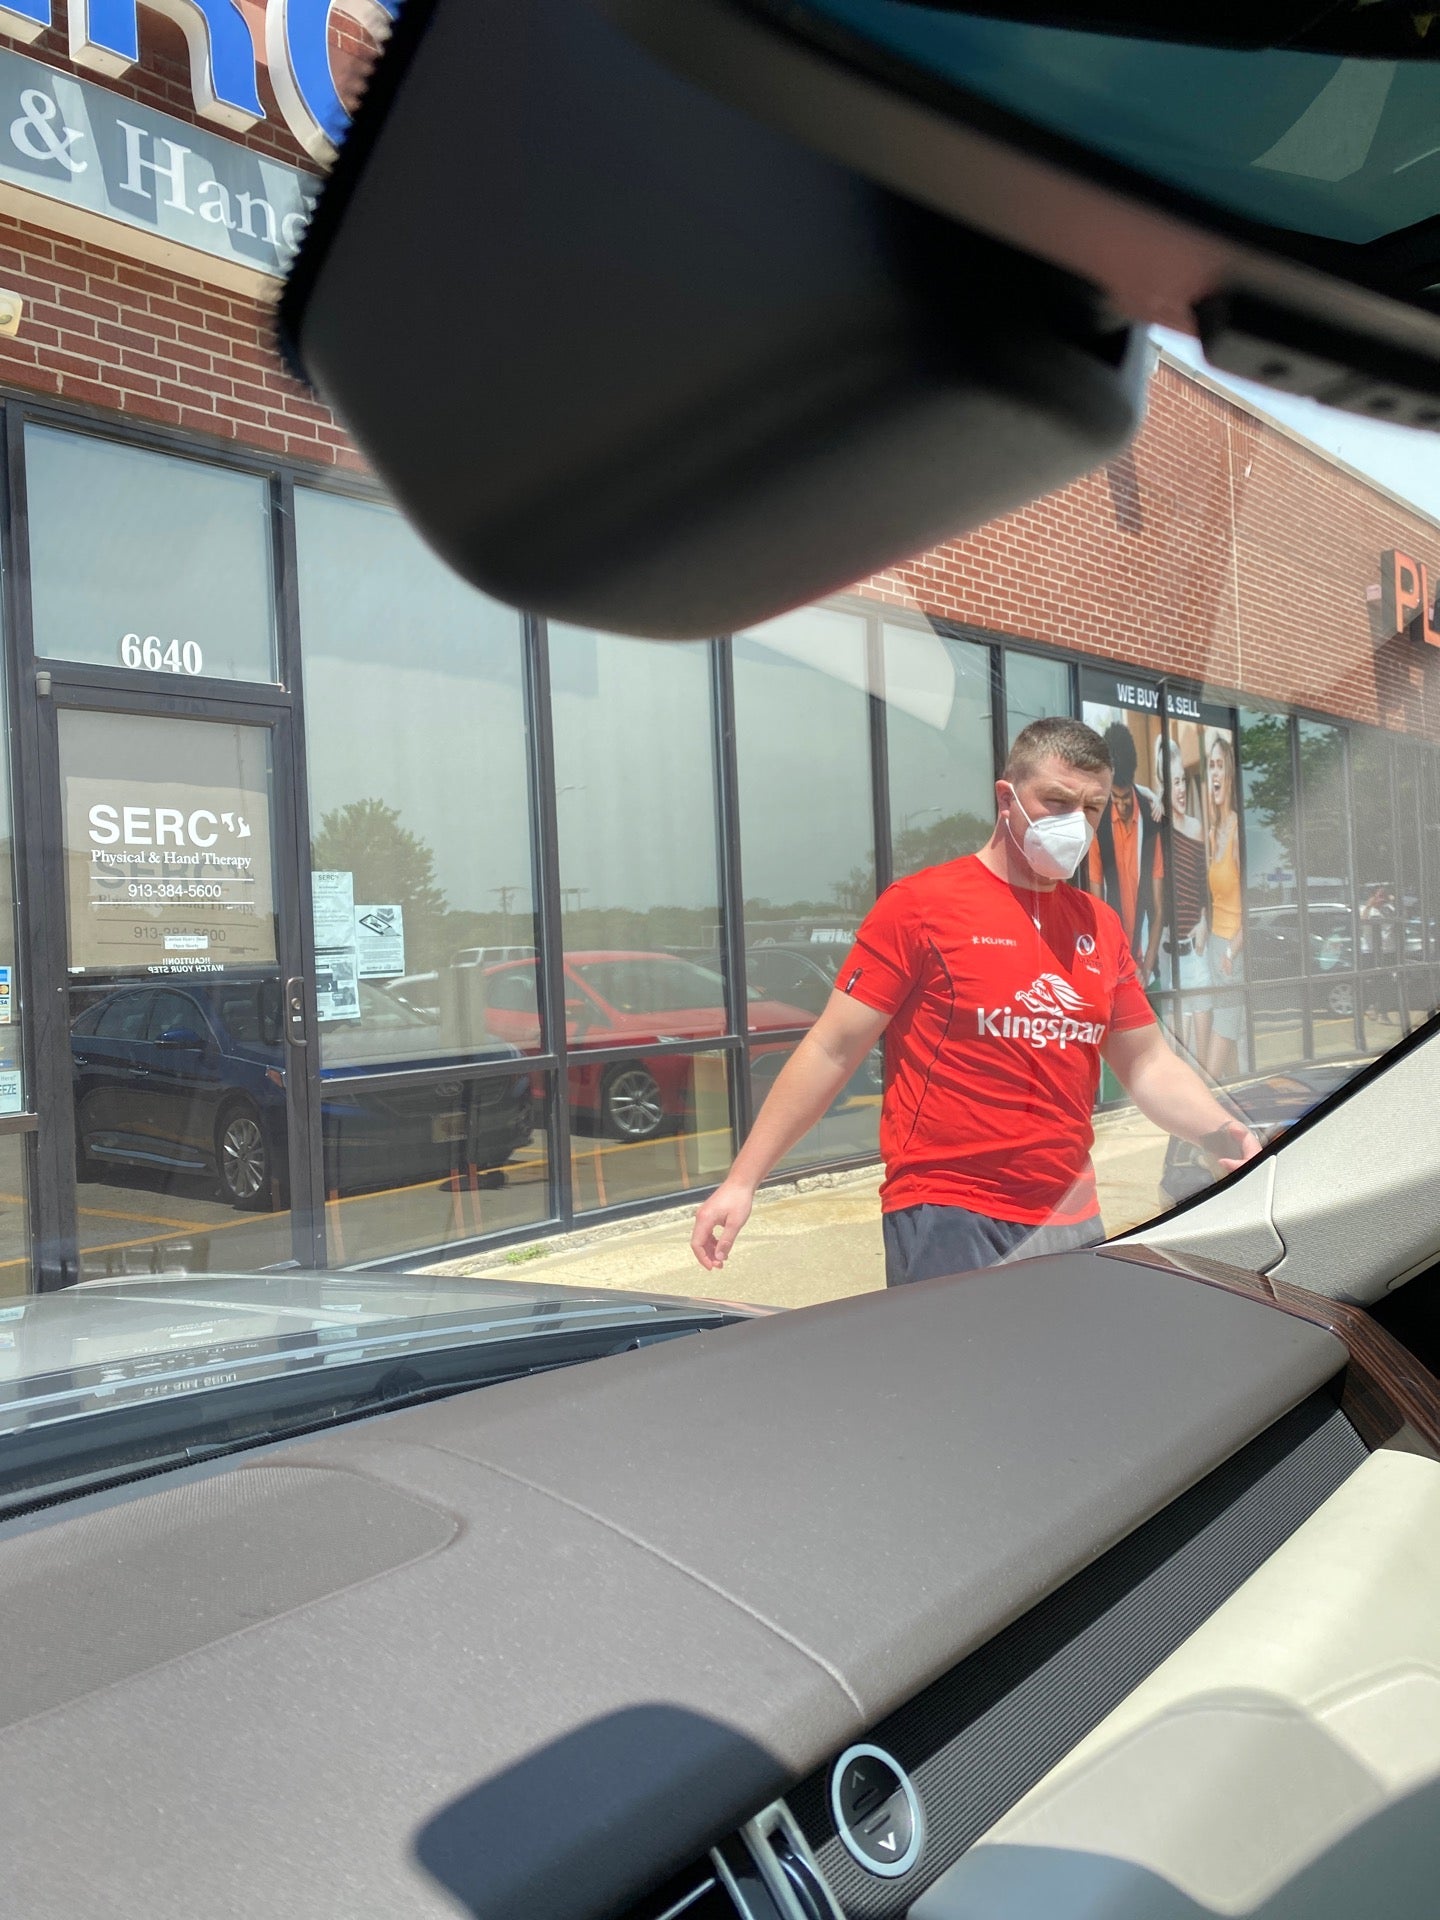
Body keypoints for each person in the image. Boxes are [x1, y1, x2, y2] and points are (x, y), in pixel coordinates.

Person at [692, 716, 1261, 1285]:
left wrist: (1220, 1130)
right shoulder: (920, 907)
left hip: (1071, 1212)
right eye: (1056, 801)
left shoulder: (1099, 925)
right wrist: (743, 1180)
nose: (1075, 822)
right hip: (948, 1211)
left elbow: (1146, 1063)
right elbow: (832, 1049)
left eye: (1090, 808)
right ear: (1006, 799)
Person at [1088, 721, 1163, 966]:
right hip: (1113, 959)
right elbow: (1097, 906)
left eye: (1126, 798)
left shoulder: (1151, 822)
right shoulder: (1098, 827)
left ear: (1132, 785)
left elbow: (1159, 908)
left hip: (1148, 962)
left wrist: (1147, 968)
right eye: (1115, 797)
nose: (1120, 806)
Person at [1151, 727, 1209, 1043]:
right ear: (1164, 786)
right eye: (1174, 782)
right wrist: (1154, 797)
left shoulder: (1196, 828)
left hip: (1196, 952)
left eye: (1183, 780)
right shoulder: (1158, 827)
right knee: (1175, 1044)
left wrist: (1204, 921)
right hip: (1166, 951)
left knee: (1201, 1048)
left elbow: (1202, 885)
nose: (1182, 789)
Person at [1194, 732, 1244, 1082]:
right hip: (1214, 944)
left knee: (1224, 1027)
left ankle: (1205, 1092)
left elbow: (1252, 908)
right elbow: (1214, 898)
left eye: (1219, 765)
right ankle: (1236, 1099)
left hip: (1231, 950)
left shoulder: (1238, 831)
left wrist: (1230, 950)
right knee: (1228, 1038)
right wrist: (1202, 922)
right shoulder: (1215, 834)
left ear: (1229, 773)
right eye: (1210, 766)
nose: (1213, 772)